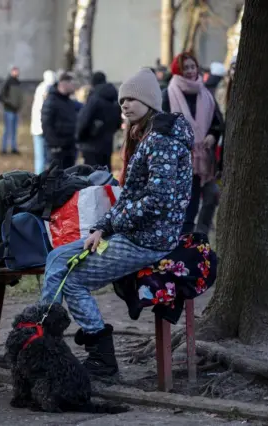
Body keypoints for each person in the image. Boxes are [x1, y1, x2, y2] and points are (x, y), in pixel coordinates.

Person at [40, 68, 194, 380]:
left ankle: (94, 357)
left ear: (150, 101)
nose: (124, 104)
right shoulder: (150, 135)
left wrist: (110, 226)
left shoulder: (162, 139)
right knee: (56, 258)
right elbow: (130, 199)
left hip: (148, 239)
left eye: (132, 98)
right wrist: (102, 227)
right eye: (122, 99)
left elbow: (157, 201)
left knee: (71, 277)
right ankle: (40, 338)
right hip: (135, 232)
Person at [162, 52, 222, 235]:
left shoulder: (206, 94)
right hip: (180, 159)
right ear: (178, 70)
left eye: (192, 67)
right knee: (187, 203)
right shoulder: (169, 93)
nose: (189, 71)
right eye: (185, 67)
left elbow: (217, 121)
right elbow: (162, 125)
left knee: (210, 196)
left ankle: (200, 236)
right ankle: (184, 239)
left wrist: (213, 134)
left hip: (204, 158)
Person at [76, 71, 122, 167]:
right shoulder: (114, 99)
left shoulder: (94, 99)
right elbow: (118, 123)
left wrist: (79, 137)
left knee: (91, 177)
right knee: (105, 176)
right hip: (107, 145)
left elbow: (84, 120)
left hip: (91, 145)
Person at [42, 72, 78, 169]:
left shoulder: (69, 102)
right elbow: (46, 125)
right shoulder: (51, 101)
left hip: (69, 149)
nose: (74, 86)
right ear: (63, 83)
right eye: (72, 83)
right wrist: (55, 146)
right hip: (57, 152)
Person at [30, 70, 56, 174]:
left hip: (37, 128)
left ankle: (39, 178)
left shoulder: (40, 88)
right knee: (44, 158)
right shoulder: (48, 90)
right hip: (44, 128)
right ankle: (42, 179)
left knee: (40, 157)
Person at [0, 66, 23, 155]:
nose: (16, 73)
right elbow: (2, 96)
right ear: (12, 72)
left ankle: (13, 148)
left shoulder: (18, 82)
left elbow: (19, 96)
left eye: (17, 71)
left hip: (16, 110)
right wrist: (9, 103)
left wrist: (19, 105)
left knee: (14, 130)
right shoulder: (7, 82)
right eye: (15, 71)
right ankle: (4, 148)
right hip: (9, 110)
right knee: (7, 130)